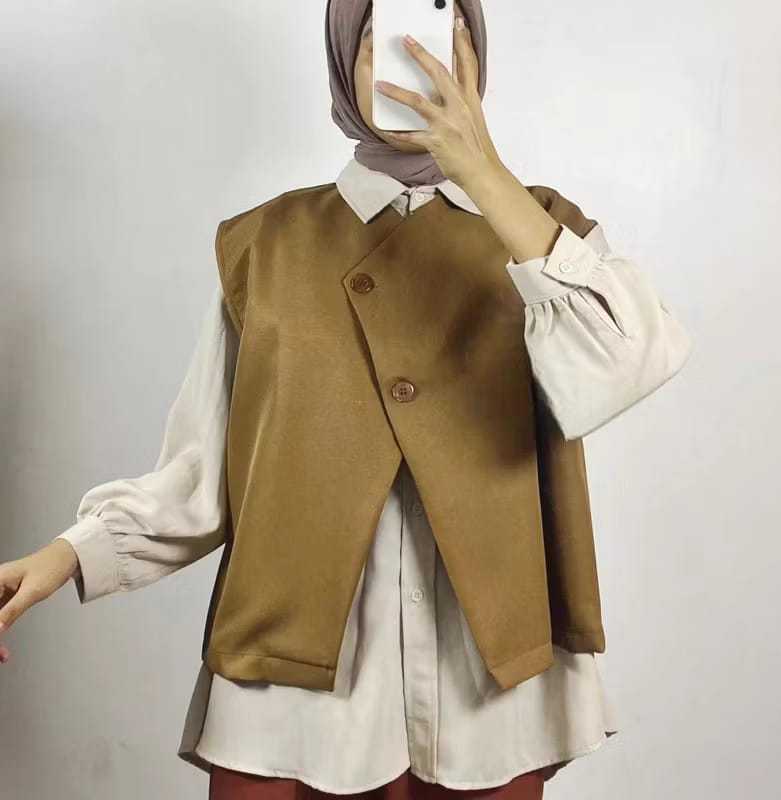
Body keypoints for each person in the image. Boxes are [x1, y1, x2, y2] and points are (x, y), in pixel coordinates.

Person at [0, 1, 692, 798]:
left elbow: (629, 362)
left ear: (476, 58)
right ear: (341, 65)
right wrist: (65, 557)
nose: (414, 59)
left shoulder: (544, 231)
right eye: (380, 39)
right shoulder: (264, 244)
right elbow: (203, 472)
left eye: (440, 35)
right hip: (294, 699)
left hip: (488, 694)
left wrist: (483, 172)